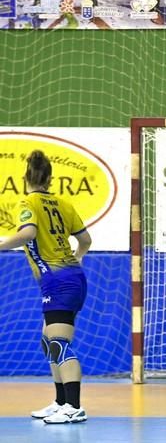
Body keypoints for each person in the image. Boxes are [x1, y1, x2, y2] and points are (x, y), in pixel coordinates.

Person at [0, 150, 92, 424]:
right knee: (48, 341)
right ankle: (61, 401)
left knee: (59, 343)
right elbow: (85, 240)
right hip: (69, 277)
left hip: (59, 281)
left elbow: (28, 233)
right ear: (51, 179)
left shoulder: (28, 202)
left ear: (25, 177)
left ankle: (74, 407)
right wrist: (74, 261)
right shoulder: (64, 203)